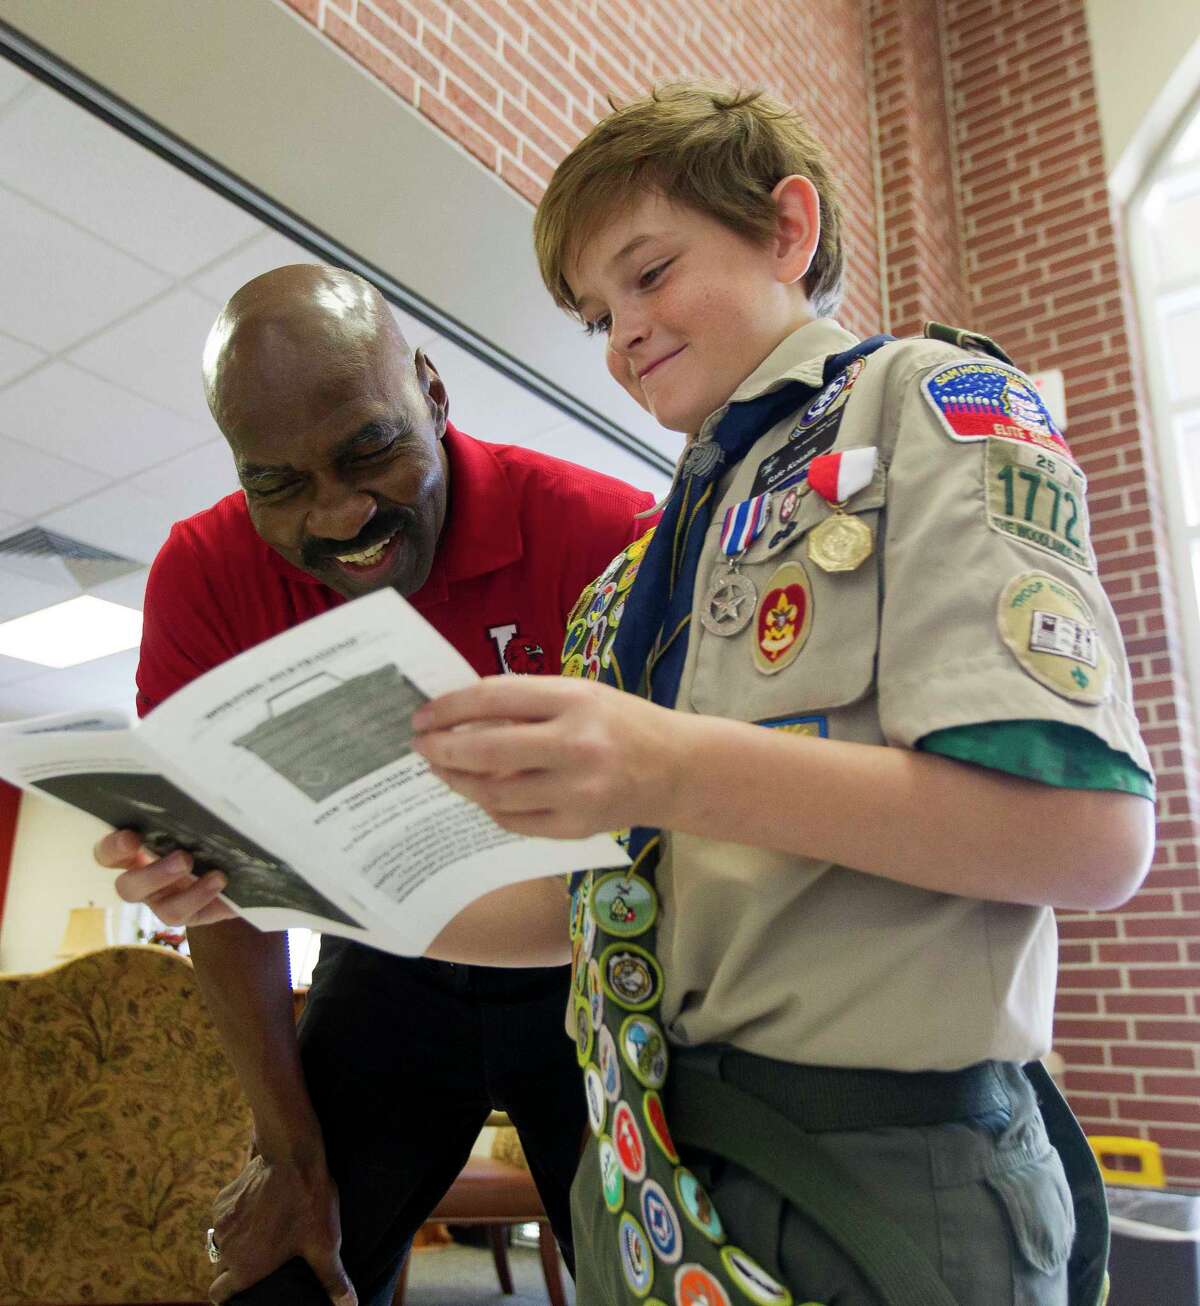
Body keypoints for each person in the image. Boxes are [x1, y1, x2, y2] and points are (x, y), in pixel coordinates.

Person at [401, 84, 1156, 1305]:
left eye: (648, 273)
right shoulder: (637, 574)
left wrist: (662, 763)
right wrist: (299, 877)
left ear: (787, 230)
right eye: (597, 312)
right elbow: (588, 906)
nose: (622, 333)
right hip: (649, 1187)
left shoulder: (923, 406)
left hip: (873, 1171)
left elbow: (1086, 837)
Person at [94, 263, 655, 1306]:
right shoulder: (205, 576)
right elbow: (223, 893)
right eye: (280, 485)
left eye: (371, 452)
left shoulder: (607, 533)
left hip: (585, 948)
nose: (341, 513)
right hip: (390, 955)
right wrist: (290, 1153)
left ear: (433, 395)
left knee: (652, 1273)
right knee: (285, 1271)